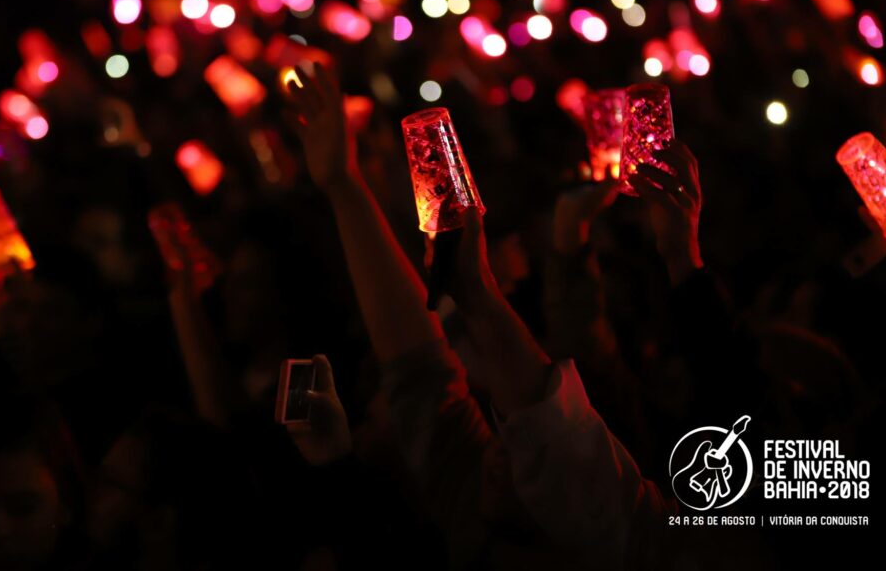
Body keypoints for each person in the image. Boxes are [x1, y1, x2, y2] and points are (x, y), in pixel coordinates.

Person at [287, 61, 680, 569]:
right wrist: (344, 185)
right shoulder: (475, 502)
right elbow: (422, 373)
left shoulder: (630, 549)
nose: (502, 444)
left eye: (516, 438)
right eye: (509, 431)